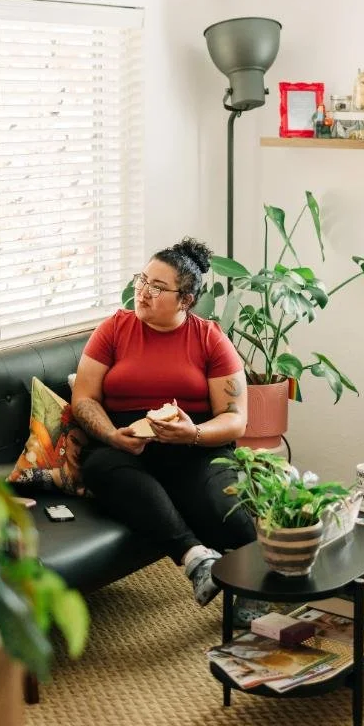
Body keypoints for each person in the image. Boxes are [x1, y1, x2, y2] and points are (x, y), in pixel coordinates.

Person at [71, 237, 256, 609]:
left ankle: (253, 588)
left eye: (158, 287)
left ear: (185, 300)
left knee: (231, 517)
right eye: (142, 281)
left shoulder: (210, 339)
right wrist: (111, 434)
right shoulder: (114, 329)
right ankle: (196, 559)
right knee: (100, 467)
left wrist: (194, 433)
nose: (143, 293)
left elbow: (235, 419)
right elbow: (84, 398)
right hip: (127, 448)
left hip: (194, 447)